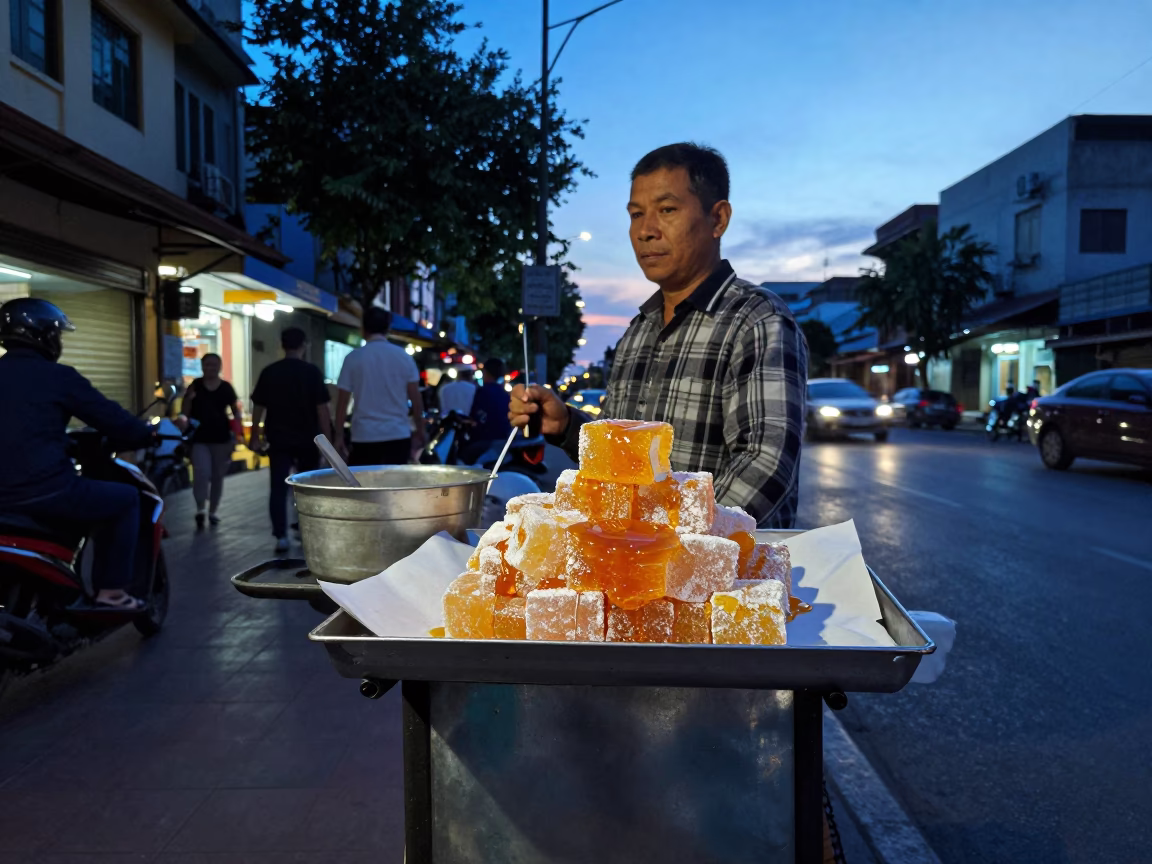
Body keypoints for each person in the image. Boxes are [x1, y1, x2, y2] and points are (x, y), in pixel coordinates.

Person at [510, 142, 808, 528]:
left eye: (667, 210)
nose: (646, 231)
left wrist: (667, 544)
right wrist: (565, 424)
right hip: (635, 568)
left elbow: (766, 465)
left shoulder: (756, 320)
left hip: (721, 580)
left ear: (717, 219)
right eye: (636, 214)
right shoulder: (638, 331)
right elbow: (622, 452)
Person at [0, 298, 156, 609]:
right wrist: (143, 433)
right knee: (125, 499)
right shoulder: (59, 377)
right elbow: (112, 419)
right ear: (44, 337)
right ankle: (111, 592)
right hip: (43, 491)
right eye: (56, 335)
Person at [249, 327, 332, 553]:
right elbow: (322, 410)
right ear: (304, 345)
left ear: (282, 345)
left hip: (278, 438)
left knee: (278, 487)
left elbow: (258, 406)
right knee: (306, 489)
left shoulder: (270, 371)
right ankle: (306, 531)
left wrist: (255, 435)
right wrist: (329, 443)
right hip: (308, 440)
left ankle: (281, 536)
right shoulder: (312, 372)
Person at [334, 307, 426, 465]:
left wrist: (338, 436)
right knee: (395, 487)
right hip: (398, 434)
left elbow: (342, 402)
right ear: (388, 328)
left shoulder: (353, 358)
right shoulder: (404, 357)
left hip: (364, 436)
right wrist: (420, 430)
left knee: (365, 487)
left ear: (363, 328)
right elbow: (416, 400)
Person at [182, 353, 242, 528]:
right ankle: (200, 508)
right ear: (202, 366)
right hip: (199, 438)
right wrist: (187, 402)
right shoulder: (195, 385)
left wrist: (238, 433)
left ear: (220, 366)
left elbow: (235, 411)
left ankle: (213, 511)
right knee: (201, 472)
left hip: (222, 438)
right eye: (207, 365)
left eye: (214, 365)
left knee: (217, 476)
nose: (210, 368)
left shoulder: (225, 387)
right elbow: (185, 410)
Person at [460, 358, 513, 464]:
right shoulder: (504, 393)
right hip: (503, 439)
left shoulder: (483, 392)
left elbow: (476, 418)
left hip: (488, 441)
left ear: (486, 372)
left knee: (462, 456)